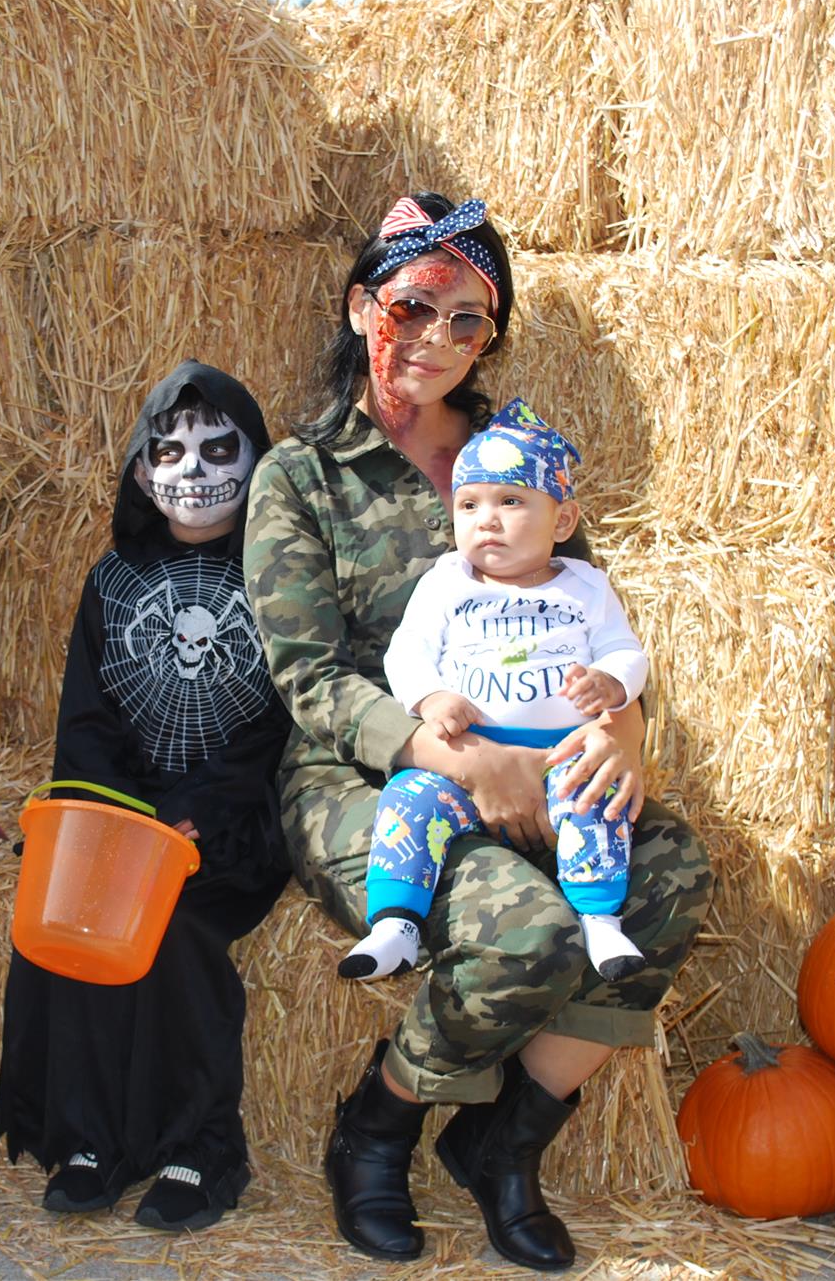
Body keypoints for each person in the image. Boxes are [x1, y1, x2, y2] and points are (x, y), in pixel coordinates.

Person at [243, 194, 713, 1269]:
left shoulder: (522, 462)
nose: (438, 341)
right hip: (367, 776)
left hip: (535, 754)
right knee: (526, 930)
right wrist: (453, 756)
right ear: (365, 305)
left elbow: (595, 621)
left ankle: (504, 1146)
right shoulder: (301, 477)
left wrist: (626, 731)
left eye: (469, 322)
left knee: (673, 872)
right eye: (414, 307)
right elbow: (308, 678)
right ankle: (380, 1124)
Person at [0, 360, 290, 1234]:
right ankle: (89, 1138)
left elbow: (288, 715)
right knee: (67, 919)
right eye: (170, 450)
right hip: (124, 815)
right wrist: (117, 814)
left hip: (232, 822)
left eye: (217, 447)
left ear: (256, 459)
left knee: (180, 928)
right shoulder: (109, 582)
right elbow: (85, 719)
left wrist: (204, 806)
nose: (194, 469)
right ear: (139, 470)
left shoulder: (282, 576)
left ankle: (202, 1144)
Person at [343, 398, 650, 986]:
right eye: (469, 505)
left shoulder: (586, 589)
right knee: (408, 799)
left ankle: (599, 919)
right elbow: (406, 653)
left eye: (511, 502)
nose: (487, 519)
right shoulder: (446, 585)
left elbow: (625, 652)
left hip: (561, 757)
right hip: (465, 764)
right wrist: (430, 698)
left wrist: (611, 682)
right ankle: (395, 923)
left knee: (597, 797)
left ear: (562, 521)